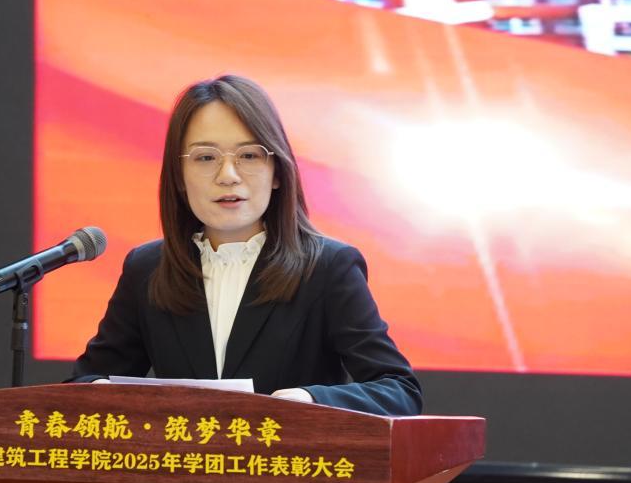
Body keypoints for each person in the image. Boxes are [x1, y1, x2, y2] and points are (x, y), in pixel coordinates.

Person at [68, 75, 421, 416]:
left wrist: (310, 400)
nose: (228, 175)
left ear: (277, 171)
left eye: (249, 156)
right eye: (206, 157)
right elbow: (82, 383)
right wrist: (103, 395)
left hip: (289, 456)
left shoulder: (328, 266)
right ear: (179, 176)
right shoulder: (148, 268)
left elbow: (399, 390)